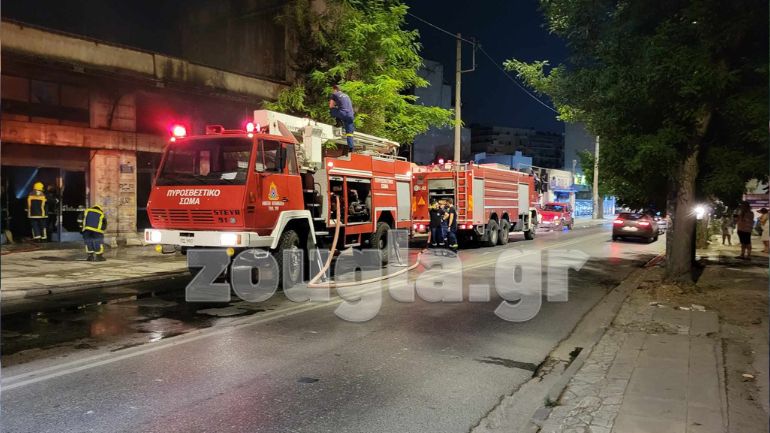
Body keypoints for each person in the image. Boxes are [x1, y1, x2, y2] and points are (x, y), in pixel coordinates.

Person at [329, 84, 355, 153]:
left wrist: (336, 105)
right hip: (350, 115)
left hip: (342, 114)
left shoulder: (334, 94)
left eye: (333, 90)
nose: (332, 91)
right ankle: (351, 148)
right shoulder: (347, 95)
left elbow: (331, 105)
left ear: (335, 89)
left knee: (332, 110)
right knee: (349, 133)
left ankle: (338, 122)